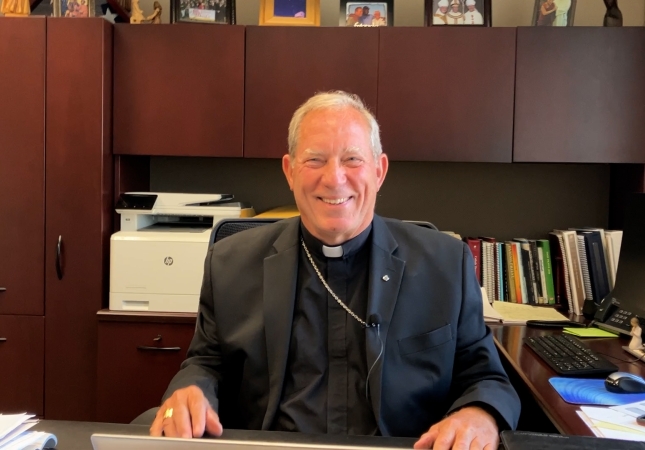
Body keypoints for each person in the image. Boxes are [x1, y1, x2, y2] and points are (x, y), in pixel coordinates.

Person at [150, 91, 520, 449]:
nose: (334, 178)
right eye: (315, 160)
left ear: (379, 170)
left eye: (352, 160)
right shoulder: (229, 263)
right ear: (290, 171)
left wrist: (479, 414)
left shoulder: (445, 263)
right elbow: (206, 363)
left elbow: (484, 376)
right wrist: (191, 394)